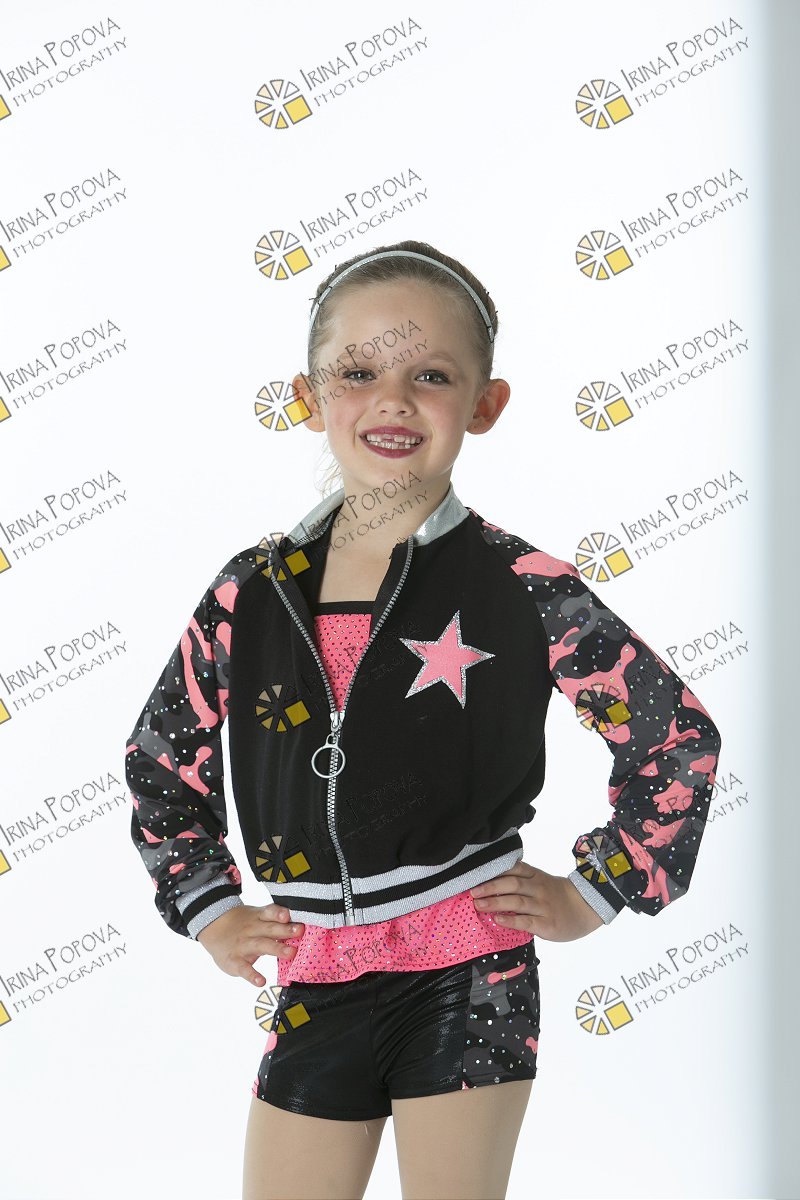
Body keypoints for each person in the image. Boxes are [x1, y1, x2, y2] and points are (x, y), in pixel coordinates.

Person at [125, 238, 722, 1200]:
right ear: (308, 397)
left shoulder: (522, 585)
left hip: (470, 966)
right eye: (358, 373)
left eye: (431, 376)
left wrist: (598, 889)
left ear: (484, 404)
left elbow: (673, 737)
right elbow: (163, 758)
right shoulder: (250, 592)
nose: (393, 400)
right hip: (311, 973)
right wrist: (206, 904)